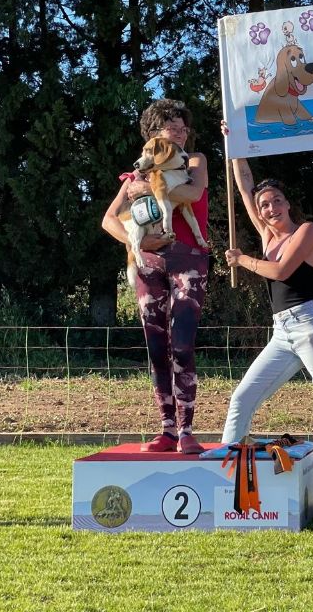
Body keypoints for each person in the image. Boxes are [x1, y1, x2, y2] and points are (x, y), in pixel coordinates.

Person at [221, 152, 313, 443]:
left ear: (287, 204)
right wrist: (235, 149)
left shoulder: (307, 230)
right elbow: (246, 187)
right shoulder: (267, 236)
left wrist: (243, 260)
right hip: (282, 332)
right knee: (241, 400)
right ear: (259, 213)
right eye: (265, 205)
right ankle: (227, 467)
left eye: (277, 201)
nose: (271, 208)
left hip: (312, 327)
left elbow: (282, 271)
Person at [102, 98, 209, 454]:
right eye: (171, 128)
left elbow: (192, 193)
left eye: (183, 128)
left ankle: (187, 429)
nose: (180, 133)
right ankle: (166, 428)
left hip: (188, 261)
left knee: (182, 343)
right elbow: (109, 219)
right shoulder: (135, 173)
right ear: (154, 134)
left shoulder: (195, 161)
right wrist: (140, 240)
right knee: (156, 346)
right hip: (147, 262)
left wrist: (150, 187)